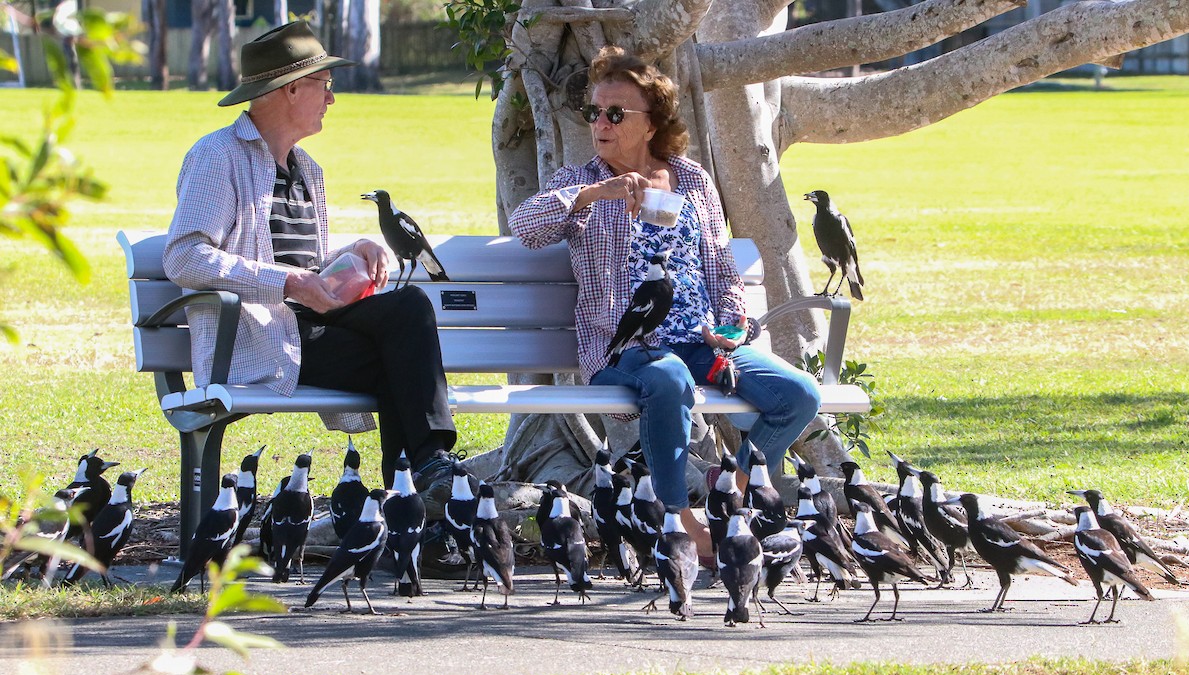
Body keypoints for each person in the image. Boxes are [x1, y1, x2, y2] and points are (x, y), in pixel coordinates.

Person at [508, 46, 821, 557]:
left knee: (799, 394)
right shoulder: (584, 181)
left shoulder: (692, 180)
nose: (600, 124)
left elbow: (722, 268)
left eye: (615, 113)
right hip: (624, 351)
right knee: (669, 377)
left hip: (700, 342)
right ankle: (678, 520)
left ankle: (734, 486)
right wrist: (592, 196)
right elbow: (526, 226)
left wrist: (733, 324)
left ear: (651, 124)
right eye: (594, 112)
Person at [163, 21, 457, 487]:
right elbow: (184, 257)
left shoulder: (307, 170)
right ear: (293, 89)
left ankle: (421, 476)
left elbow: (306, 263)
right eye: (326, 85)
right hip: (259, 337)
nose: (332, 98)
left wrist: (354, 249)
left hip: (311, 329)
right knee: (396, 360)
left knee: (410, 307)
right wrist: (289, 283)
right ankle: (421, 486)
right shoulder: (217, 157)